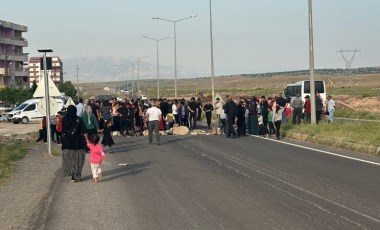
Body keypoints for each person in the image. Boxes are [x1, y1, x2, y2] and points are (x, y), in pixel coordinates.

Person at [61, 105, 89, 182]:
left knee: (69, 160)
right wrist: (87, 141)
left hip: (67, 143)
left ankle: (72, 175)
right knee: (78, 160)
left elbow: (62, 131)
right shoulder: (79, 119)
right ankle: (77, 175)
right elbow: (84, 131)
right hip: (78, 143)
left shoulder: (64, 119)